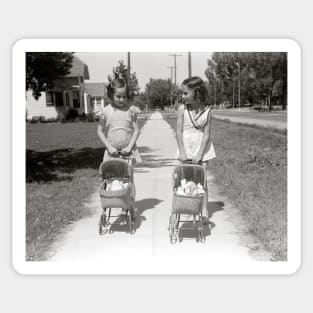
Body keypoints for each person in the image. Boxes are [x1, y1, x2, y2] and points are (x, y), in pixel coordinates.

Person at [97, 77, 141, 219]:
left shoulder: (131, 111)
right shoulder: (106, 112)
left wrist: (129, 146)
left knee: (128, 180)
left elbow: (136, 130)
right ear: (111, 95)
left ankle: (129, 205)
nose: (121, 100)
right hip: (112, 152)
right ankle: (113, 202)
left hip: (127, 152)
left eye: (124, 97)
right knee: (112, 179)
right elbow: (99, 131)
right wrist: (109, 147)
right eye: (118, 96)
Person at [176, 76, 216, 225]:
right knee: (185, 180)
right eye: (182, 93)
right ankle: (186, 207)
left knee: (202, 180)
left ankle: (204, 211)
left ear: (196, 93)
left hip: (202, 149)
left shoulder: (207, 111)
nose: (182, 96)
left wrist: (200, 153)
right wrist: (182, 152)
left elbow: (206, 135)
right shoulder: (182, 109)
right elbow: (178, 132)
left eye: (185, 93)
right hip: (186, 147)